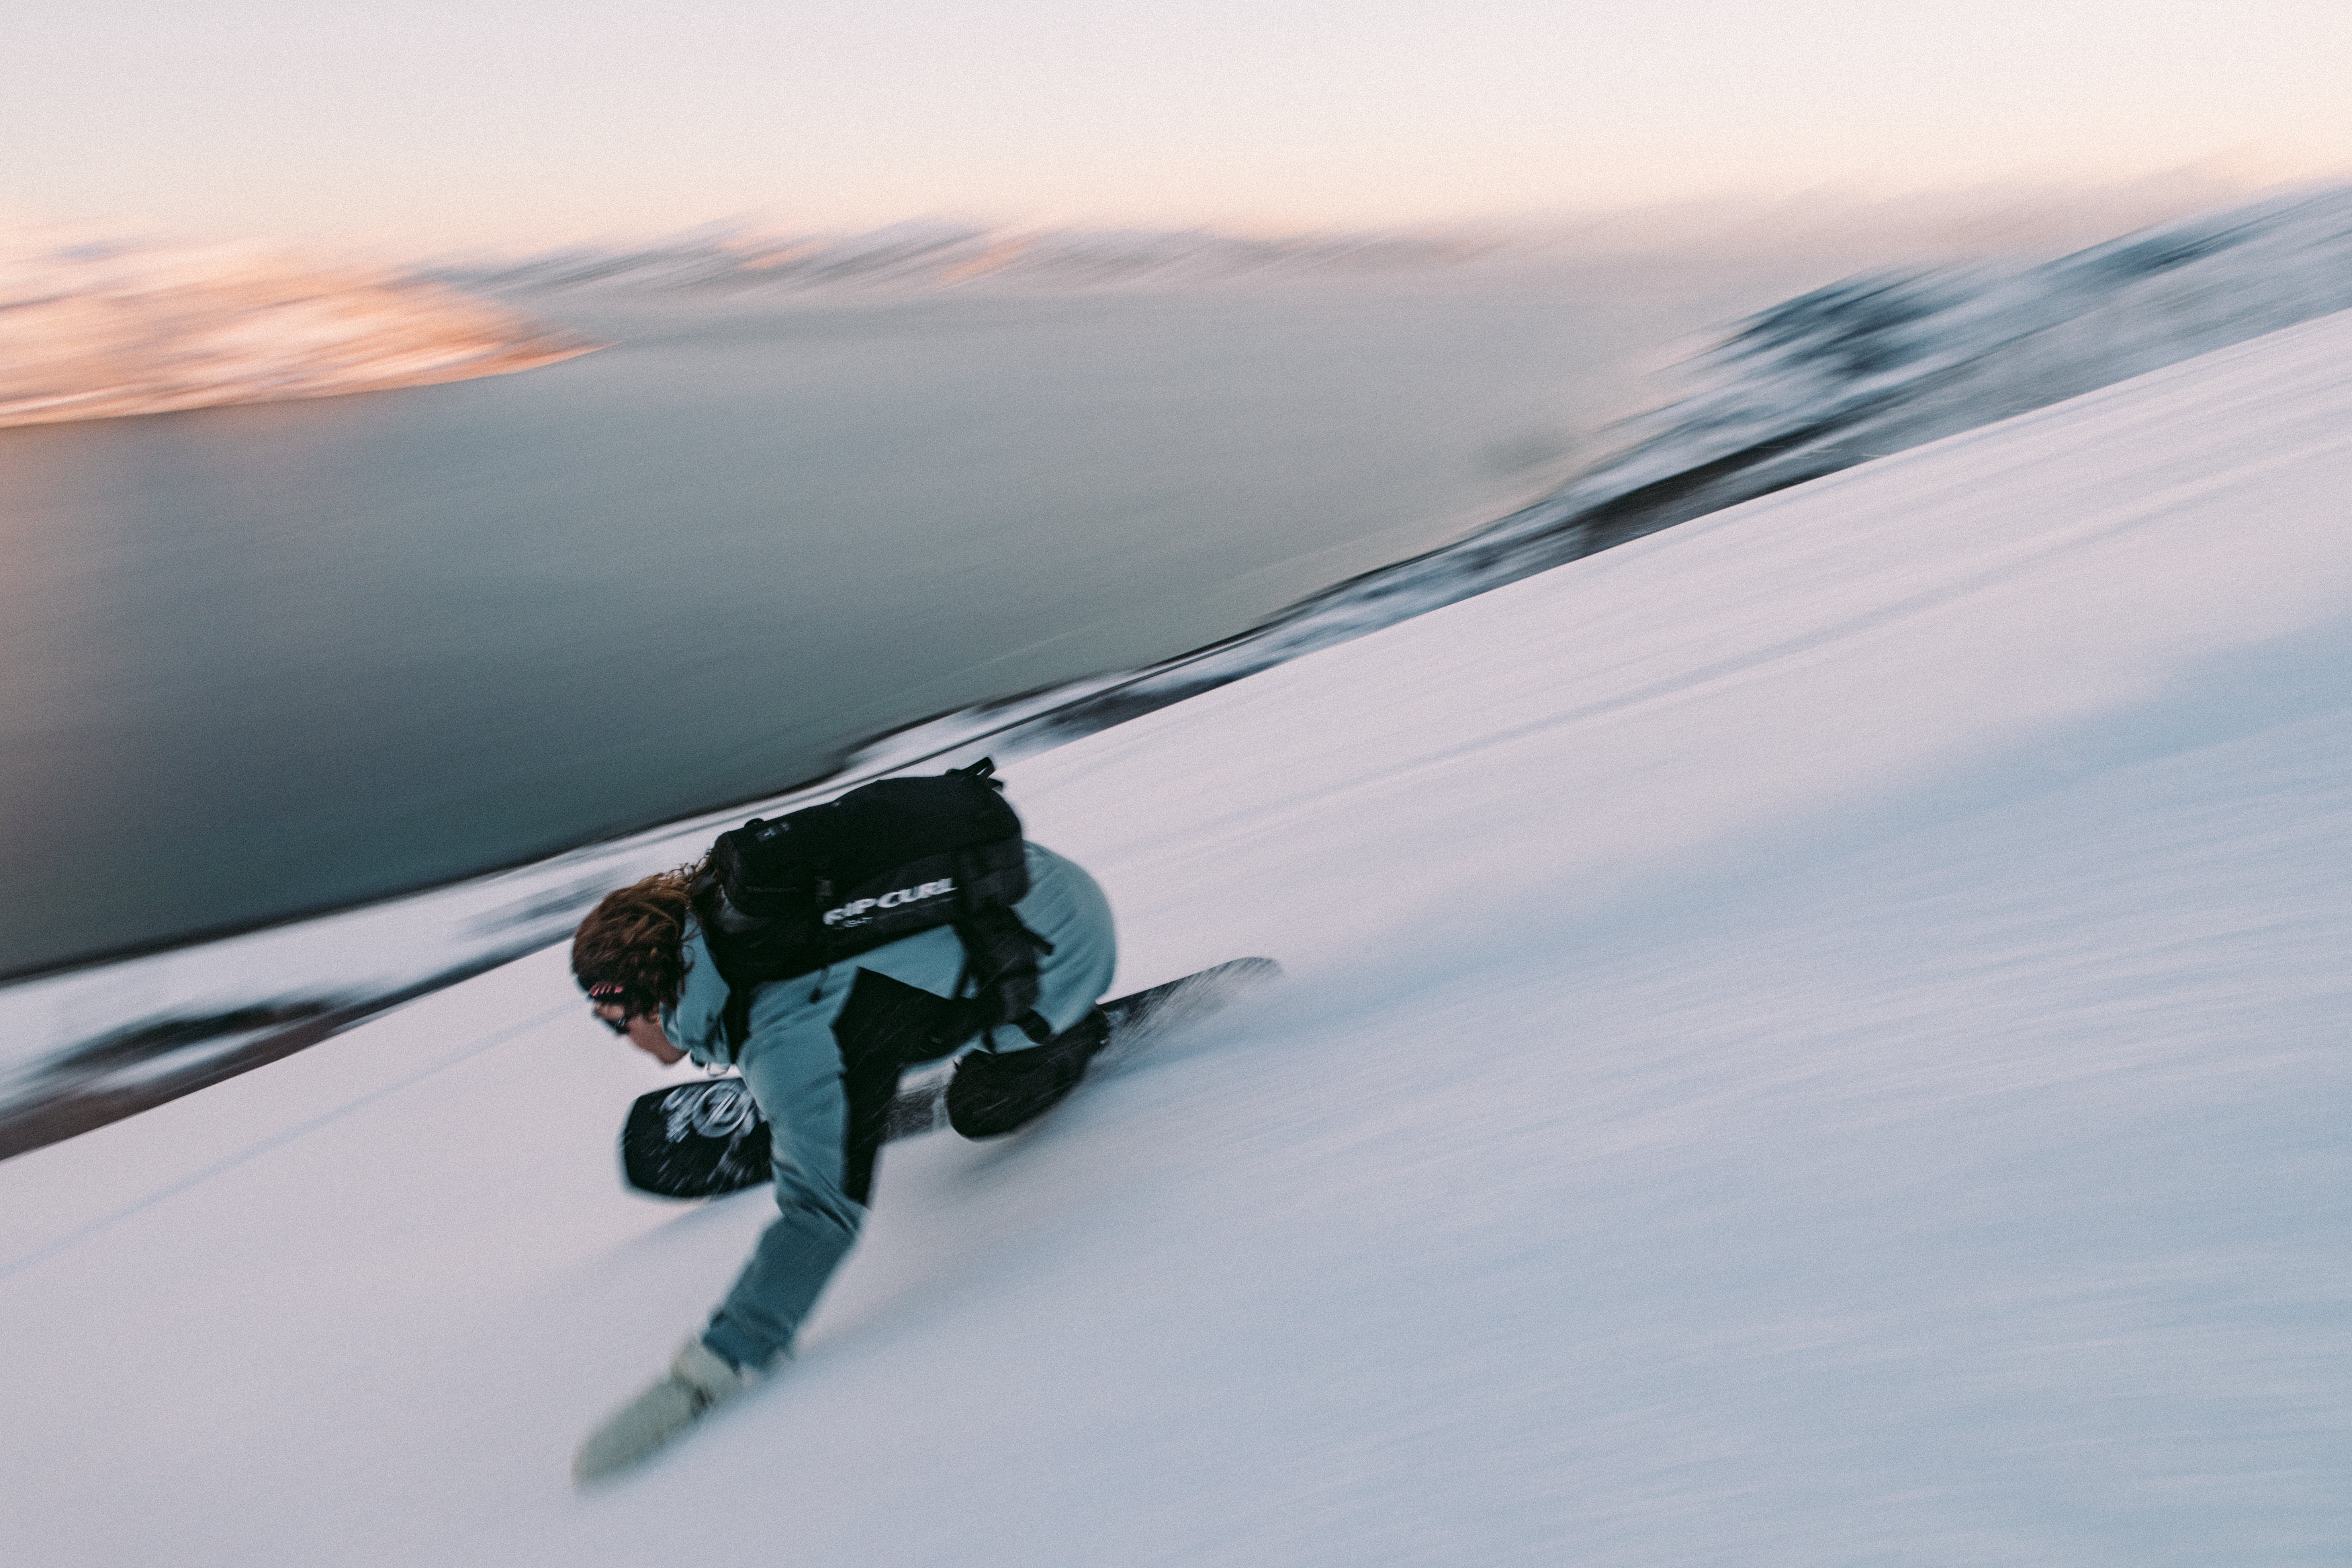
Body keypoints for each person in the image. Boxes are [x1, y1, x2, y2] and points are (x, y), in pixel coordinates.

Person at [567, 836, 1117, 1483]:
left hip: (1064, 948)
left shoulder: (785, 1033)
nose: (622, 1038)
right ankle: (876, 1063)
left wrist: (707, 1373)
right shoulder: (738, 903)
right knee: (868, 1015)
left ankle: (1064, 1034)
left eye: (616, 1021)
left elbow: (820, 1217)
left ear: (654, 999)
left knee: (980, 1107)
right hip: (1021, 876)